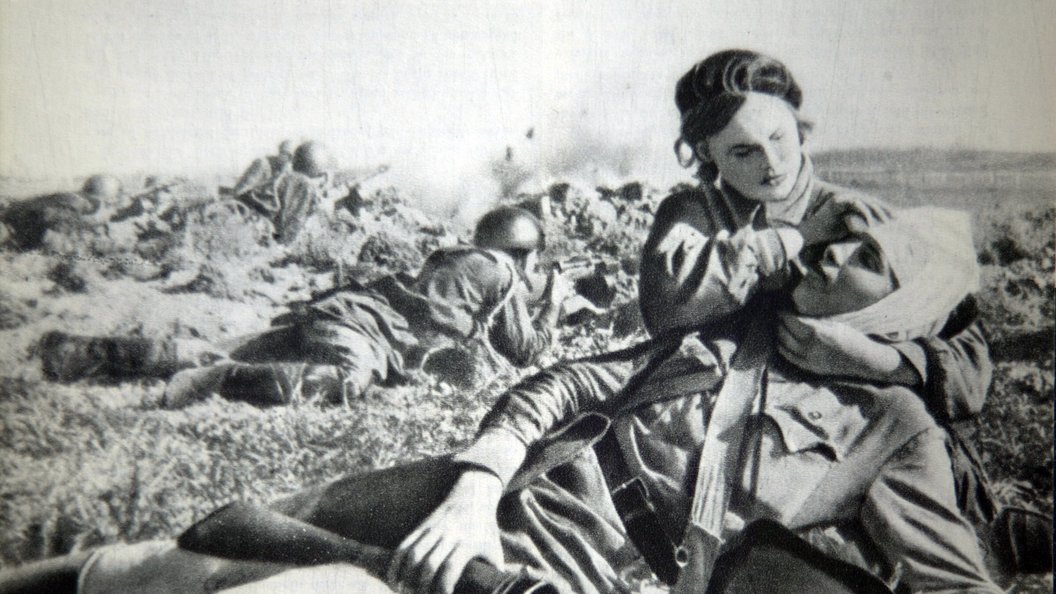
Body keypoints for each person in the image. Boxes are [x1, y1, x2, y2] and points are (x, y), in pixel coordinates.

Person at [1, 208, 1004, 594]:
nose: (830, 255)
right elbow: (564, 381)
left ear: (904, 306)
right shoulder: (724, 334)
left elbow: (955, 584)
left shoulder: (897, 426)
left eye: (866, 259)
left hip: (567, 579)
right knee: (185, 558)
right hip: (488, 498)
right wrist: (477, 486)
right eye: (836, 238)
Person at [638, 49, 997, 526]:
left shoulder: (856, 217)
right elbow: (665, 307)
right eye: (743, 152)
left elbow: (970, 356)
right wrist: (793, 239)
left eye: (778, 138)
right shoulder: (693, 215)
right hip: (723, 430)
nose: (771, 164)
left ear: (799, 126)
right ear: (706, 152)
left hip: (859, 429)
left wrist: (873, 360)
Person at [38, 206, 574, 407]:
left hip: (338, 313)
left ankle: (77, 352)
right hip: (360, 335)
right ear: (522, 253)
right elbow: (523, 351)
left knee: (213, 345)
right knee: (344, 382)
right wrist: (552, 304)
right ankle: (205, 385)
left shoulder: (455, 257)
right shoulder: (503, 271)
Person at [232, 140, 334, 243]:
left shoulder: (288, 177)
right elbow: (290, 228)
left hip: (240, 217)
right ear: (324, 175)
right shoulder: (305, 186)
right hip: (246, 225)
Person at [0, 174, 123, 250]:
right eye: (112, 207)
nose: (113, 213)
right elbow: (55, 242)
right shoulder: (75, 206)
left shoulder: (71, 199)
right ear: (103, 201)